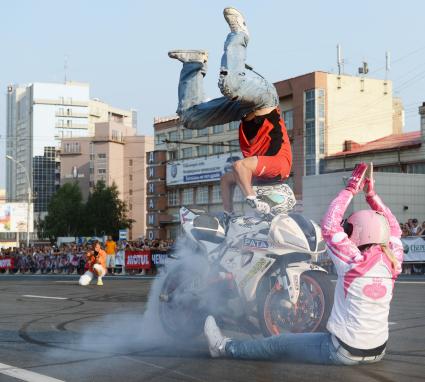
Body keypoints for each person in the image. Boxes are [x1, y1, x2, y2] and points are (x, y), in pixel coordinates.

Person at [204, 162, 404, 365]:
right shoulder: (393, 262)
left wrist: (351, 189)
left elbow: (330, 224)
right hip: (378, 351)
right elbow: (395, 229)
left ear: (362, 232)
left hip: (343, 351)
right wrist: (371, 196)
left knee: (278, 343)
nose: (347, 233)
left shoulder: (353, 261)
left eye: (350, 229)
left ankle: (223, 346)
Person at [168, 7, 292, 227]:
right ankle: (240, 34)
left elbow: (227, 181)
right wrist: (251, 198)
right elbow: (240, 167)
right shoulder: (279, 169)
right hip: (265, 100)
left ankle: (194, 64)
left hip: (243, 111)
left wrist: (229, 214)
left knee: (190, 118)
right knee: (230, 84)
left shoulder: (257, 179)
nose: (260, 197)